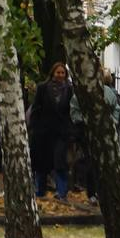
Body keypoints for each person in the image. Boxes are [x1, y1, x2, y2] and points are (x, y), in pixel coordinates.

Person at [69, 68, 120, 204]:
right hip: (87, 132)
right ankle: (92, 192)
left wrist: (112, 122)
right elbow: (74, 111)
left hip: (105, 131)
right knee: (91, 162)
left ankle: (106, 191)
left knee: (106, 162)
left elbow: (116, 109)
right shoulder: (81, 92)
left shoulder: (108, 92)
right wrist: (83, 121)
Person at [29, 62, 72, 202]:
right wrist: (34, 129)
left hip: (61, 132)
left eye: (62, 73)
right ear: (53, 73)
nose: (60, 75)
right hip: (44, 132)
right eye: (58, 72)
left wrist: (69, 130)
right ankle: (40, 191)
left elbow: (70, 111)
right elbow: (36, 109)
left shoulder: (69, 90)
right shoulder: (43, 88)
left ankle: (61, 192)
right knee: (42, 163)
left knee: (60, 162)